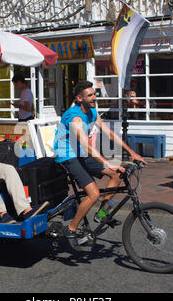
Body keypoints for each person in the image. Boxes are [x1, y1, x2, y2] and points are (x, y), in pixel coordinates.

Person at [53, 81, 147, 251]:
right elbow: (87, 146)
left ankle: (102, 214)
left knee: (117, 174)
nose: (94, 97)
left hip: (81, 153)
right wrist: (107, 163)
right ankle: (71, 229)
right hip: (67, 155)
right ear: (79, 98)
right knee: (94, 193)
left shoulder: (92, 111)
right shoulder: (74, 117)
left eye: (94, 94)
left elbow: (108, 133)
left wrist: (132, 153)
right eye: (90, 95)